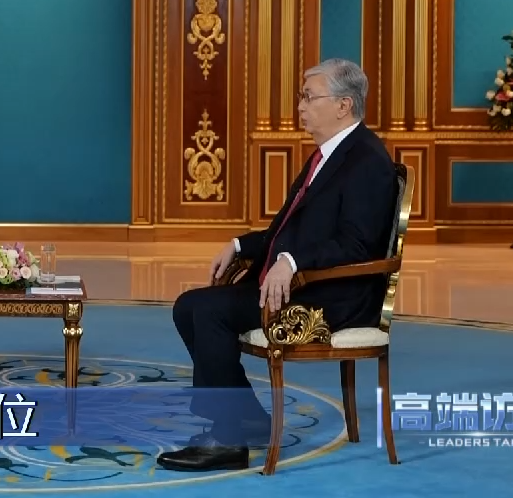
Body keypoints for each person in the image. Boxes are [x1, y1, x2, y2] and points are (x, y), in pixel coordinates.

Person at [158, 58, 397, 472]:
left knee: (211, 312)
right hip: (298, 282)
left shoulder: (367, 161)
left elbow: (357, 245)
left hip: (331, 294)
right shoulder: (327, 155)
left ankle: (227, 440)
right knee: (188, 306)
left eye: (309, 97)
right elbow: (285, 230)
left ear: (343, 105)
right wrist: (239, 244)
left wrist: (293, 260)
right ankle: (247, 419)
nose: (300, 107)